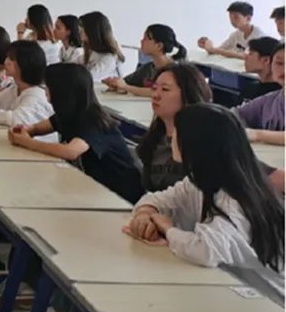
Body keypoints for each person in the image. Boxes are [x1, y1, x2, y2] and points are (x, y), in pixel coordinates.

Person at [125, 104, 284, 296]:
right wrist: (145, 214)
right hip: (238, 289)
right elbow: (160, 199)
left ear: (195, 143)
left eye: (177, 132)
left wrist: (167, 229)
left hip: (271, 300)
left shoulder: (233, 200)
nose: (171, 137)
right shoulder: (201, 182)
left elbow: (206, 251)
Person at [7, 63, 144, 204]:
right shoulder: (67, 114)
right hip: (94, 188)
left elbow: (70, 151)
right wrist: (24, 131)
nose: (45, 90)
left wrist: (27, 142)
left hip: (120, 195)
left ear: (62, 91)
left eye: (48, 87)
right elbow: (37, 128)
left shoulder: (92, 120)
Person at [135, 63, 213, 193]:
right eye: (154, 88)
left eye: (165, 89)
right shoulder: (153, 140)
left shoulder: (203, 147)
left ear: (188, 95)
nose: (155, 95)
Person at [0, 40, 52, 127]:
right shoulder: (16, 88)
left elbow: (16, 119)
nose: (6, 62)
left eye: (11, 59)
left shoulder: (37, 94)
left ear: (24, 64)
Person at [103, 24, 187, 98]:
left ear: (159, 46)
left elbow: (158, 92)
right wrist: (115, 84)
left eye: (146, 38)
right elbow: (125, 82)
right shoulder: (147, 68)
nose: (141, 41)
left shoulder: (175, 70)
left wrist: (125, 87)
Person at [235, 43, 285, 146]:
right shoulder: (268, 101)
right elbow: (235, 115)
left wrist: (257, 134)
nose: (284, 69)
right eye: (279, 63)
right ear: (270, 65)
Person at [198, 1, 267, 60]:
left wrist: (214, 50)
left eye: (236, 17)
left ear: (248, 18)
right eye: (230, 18)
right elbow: (219, 50)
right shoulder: (236, 35)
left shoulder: (259, 36)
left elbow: (245, 56)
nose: (232, 21)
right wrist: (206, 45)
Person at [80, 11, 125, 80]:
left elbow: (86, 79)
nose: (79, 31)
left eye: (82, 28)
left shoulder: (108, 59)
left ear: (92, 31)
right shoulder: (93, 50)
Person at [241, 37, 283, 101]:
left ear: (266, 60)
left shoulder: (280, 96)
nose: (245, 57)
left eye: (250, 53)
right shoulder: (250, 88)